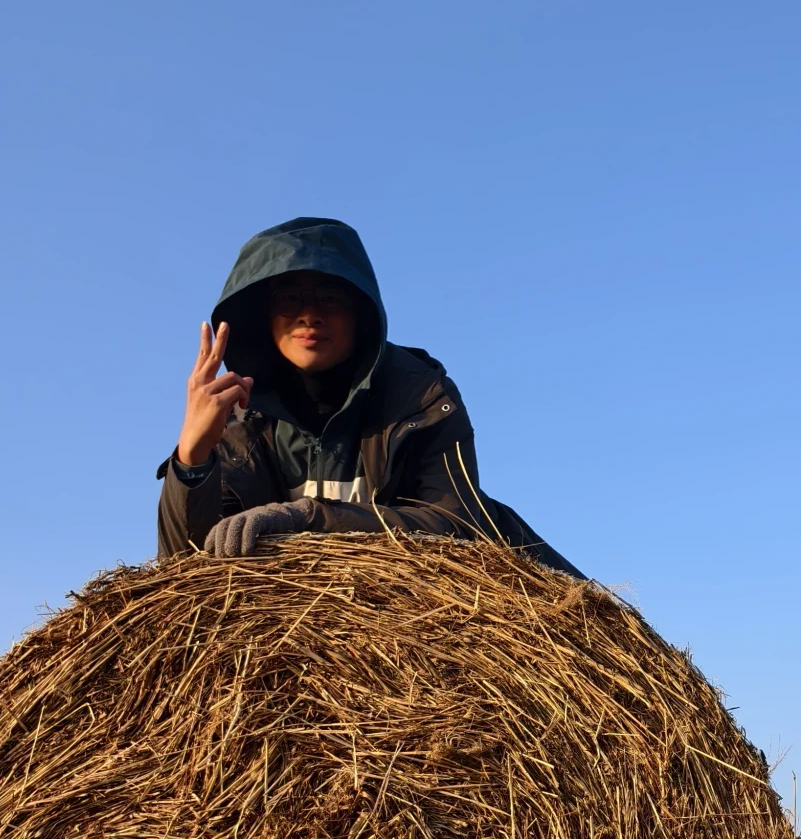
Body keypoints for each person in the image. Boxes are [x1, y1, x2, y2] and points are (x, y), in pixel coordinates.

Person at [158, 216, 580, 574]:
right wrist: (192, 459)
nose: (309, 314)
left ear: (361, 315)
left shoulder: (422, 396)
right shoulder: (239, 421)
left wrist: (305, 516)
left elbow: (455, 521)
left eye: (330, 297)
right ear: (263, 318)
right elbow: (182, 571)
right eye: (289, 299)